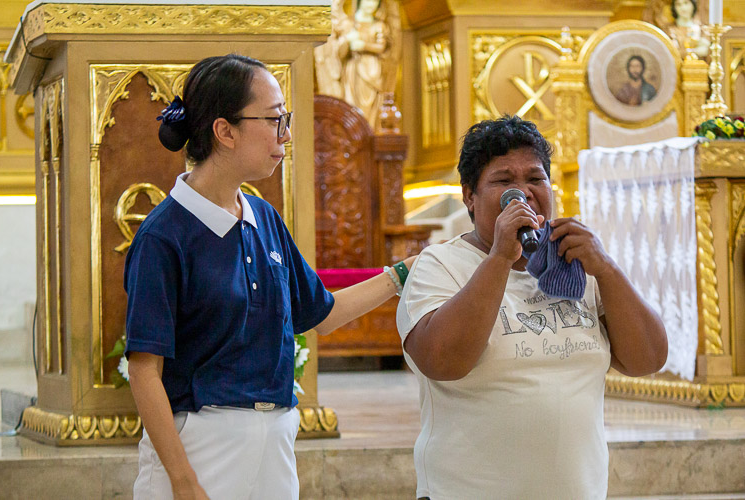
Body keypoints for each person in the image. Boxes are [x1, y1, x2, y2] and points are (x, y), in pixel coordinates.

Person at [124, 53, 414, 500]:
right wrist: (184, 482)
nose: (287, 133)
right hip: (200, 447)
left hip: (275, 440)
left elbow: (322, 314)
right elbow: (145, 371)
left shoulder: (264, 217)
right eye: (275, 119)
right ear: (225, 131)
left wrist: (402, 275)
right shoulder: (164, 235)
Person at [396, 115, 668, 499]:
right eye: (504, 182)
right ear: (469, 196)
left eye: (535, 179)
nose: (521, 193)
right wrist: (499, 258)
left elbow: (648, 358)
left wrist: (605, 268)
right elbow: (444, 361)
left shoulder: (578, 266)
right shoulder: (440, 265)